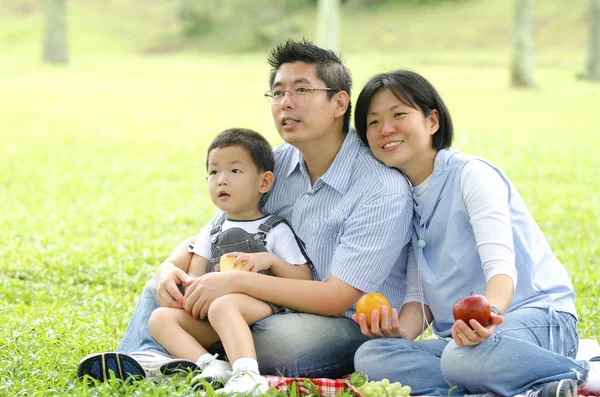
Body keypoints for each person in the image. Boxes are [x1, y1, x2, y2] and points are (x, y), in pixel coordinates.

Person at [77, 39, 413, 383]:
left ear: (339, 102)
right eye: (278, 92)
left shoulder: (381, 190)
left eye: (300, 90)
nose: (286, 103)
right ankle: (147, 359)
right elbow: (215, 231)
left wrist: (233, 281)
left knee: (280, 343)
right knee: (165, 288)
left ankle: (184, 357)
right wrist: (168, 268)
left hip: (343, 322)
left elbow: (335, 297)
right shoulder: (275, 164)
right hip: (258, 302)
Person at [351, 69, 600, 397]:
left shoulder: (472, 175)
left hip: (533, 316)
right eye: (373, 122)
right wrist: (394, 334)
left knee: (460, 360)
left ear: (432, 121)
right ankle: (522, 386)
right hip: (463, 341)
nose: (386, 129)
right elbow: (419, 300)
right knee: (370, 358)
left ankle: (584, 372)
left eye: (398, 114)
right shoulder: (400, 199)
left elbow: (501, 270)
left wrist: (488, 317)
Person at [148, 127, 312, 395]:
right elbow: (196, 277)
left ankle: (248, 375)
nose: (221, 180)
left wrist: (270, 260)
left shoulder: (274, 230)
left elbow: (303, 279)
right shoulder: (209, 233)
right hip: (214, 315)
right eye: (214, 172)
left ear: (264, 182)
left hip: (264, 307)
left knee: (224, 304)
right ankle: (210, 366)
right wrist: (186, 290)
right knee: (159, 318)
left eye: (234, 171)